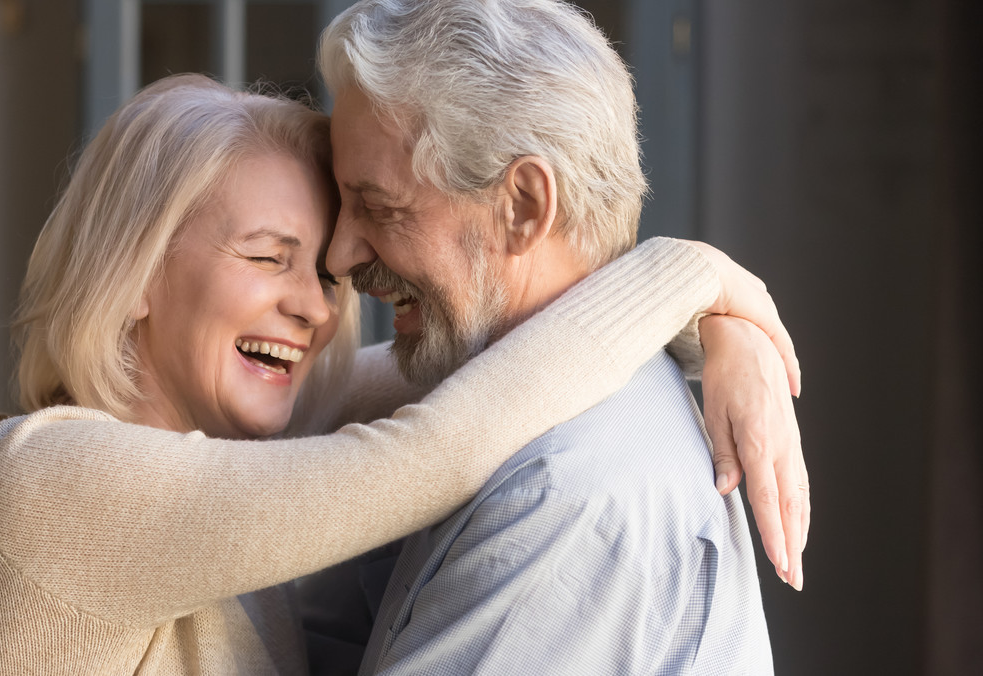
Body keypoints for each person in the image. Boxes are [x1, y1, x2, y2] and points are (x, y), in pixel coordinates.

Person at [0, 75, 800, 674]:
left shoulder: (221, 439)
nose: (317, 308)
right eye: (269, 258)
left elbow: (497, 357)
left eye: (327, 275)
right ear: (138, 272)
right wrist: (697, 275)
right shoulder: (49, 486)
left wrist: (723, 334)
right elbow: (437, 449)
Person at [317, 0, 798, 672]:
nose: (338, 255)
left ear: (524, 208)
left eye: (378, 207)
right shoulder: (498, 411)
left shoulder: (560, 495)